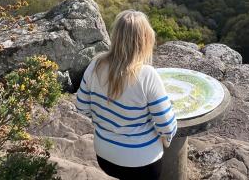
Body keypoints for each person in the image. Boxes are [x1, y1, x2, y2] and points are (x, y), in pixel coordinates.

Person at [76, 10, 177, 180]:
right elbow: (167, 126)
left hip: (105, 156)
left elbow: (82, 107)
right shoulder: (147, 75)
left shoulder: (95, 64)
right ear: (145, 40)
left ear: (115, 37)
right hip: (143, 163)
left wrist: (108, 123)